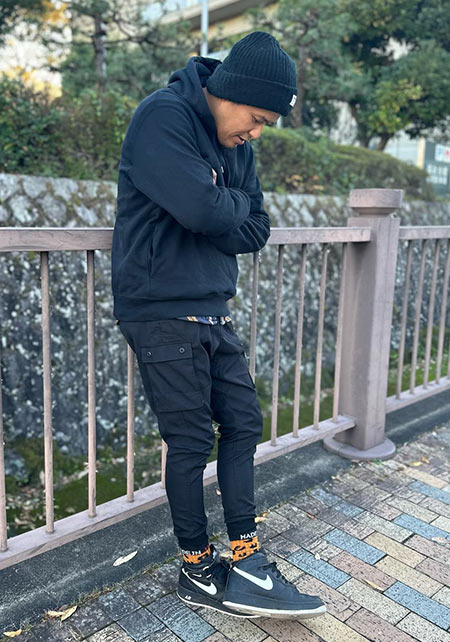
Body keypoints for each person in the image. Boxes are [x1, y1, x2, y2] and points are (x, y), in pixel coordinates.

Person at [111, 30, 326, 619]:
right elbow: (204, 210)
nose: (256, 133)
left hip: (212, 306)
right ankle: (197, 568)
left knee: (243, 423)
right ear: (228, 93)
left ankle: (248, 560)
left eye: (266, 125)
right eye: (256, 119)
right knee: (188, 441)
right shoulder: (163, 117)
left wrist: (217, 203)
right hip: (159, 309)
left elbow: (256, 228)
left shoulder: (238, 147)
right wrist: (221, 206)